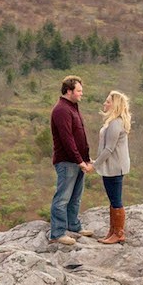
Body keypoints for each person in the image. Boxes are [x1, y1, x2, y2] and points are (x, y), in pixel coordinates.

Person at [49, 75, 93, 245]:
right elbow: (67, 139)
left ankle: (73, 226)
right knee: (62, 198)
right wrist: (79, 161)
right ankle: (58, 233)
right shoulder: (61, 110)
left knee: (76, 197)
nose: (82, 93)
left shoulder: (73, 107)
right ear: (69, 91)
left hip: (78, 161)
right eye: (79, 90)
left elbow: (80, 136)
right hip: (67, 162)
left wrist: (86, 159)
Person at [94, 91, 132, 244]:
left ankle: (119, 233)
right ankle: (113, 230)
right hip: (111, 167)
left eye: (108, 101)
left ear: (115, 104)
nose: (105, 104)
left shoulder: (116, 123)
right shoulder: (113, 122)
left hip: (115, 167)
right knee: (113, 199)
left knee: (116, 199)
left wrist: (95, 165)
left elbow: (109, 149)